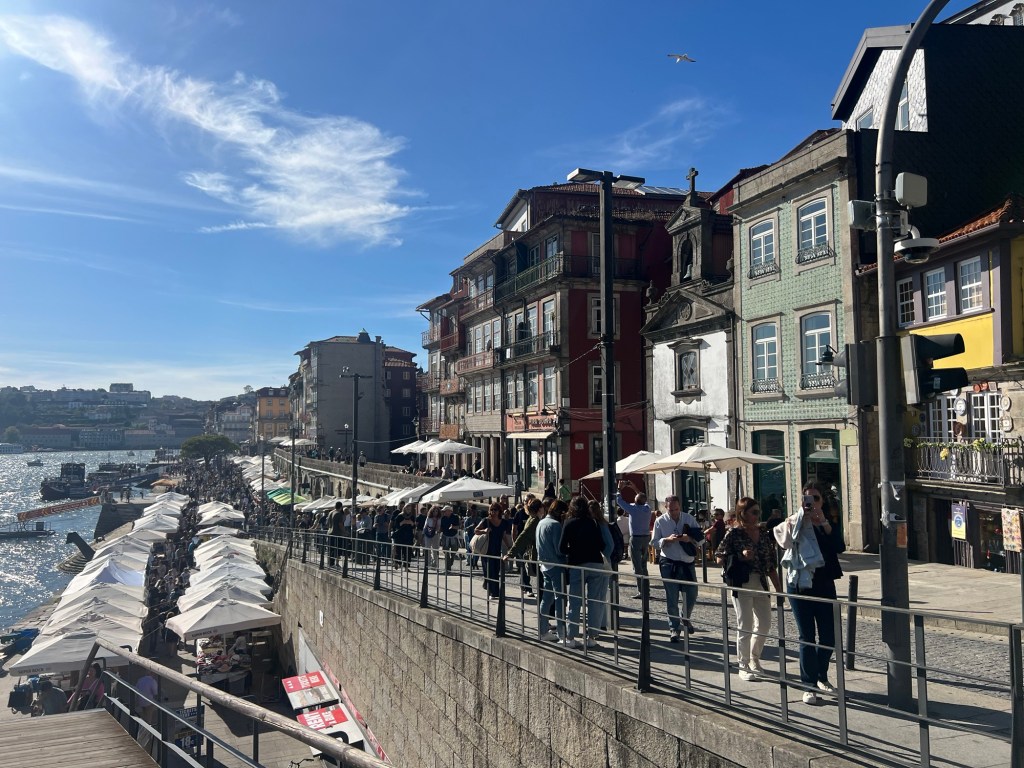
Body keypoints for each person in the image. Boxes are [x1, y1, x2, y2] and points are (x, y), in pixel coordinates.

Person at [775, 480, 845, 705]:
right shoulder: (794, 521)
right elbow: (785, 543)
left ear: (822, 501)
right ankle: (809, 685)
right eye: (808, 498)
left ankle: (821, 675)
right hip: (799, 585)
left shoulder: (828, 521)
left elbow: (839, 547)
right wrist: (797, 521)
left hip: (824, 584)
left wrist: (823, 522)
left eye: (816, 498)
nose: (811, 503)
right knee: (807, 637)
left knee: (829, 637)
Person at [715, 498, 782, 682]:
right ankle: (743, 665)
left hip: (761, 582)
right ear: (742, 513)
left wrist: (778, 589)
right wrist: (740, 556)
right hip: (741, 583)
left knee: (765, 624)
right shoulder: (733, 533)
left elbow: (771, 564)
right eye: (754, 512)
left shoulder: (763, 533)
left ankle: (754, 658)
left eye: (758, 512)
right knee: (745, 625)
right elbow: (719, 557)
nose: (757, 515)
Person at [559, 496, 612, 648]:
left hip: (577, 565)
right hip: (595, 564)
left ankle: (571, 637)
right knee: (594, 602)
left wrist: (573, 550)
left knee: (575, 602)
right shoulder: (593, 522)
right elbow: (602, 545)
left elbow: (561, 548)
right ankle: (592, 638)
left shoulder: (569, 523)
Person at [652, 494, 704, 641]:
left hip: (687, 562)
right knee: (672, 597)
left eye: (676, 509)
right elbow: (654, 542)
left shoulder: (689, 519)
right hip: (669, 562)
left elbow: (701, 540)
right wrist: (666, 540)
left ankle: (685, 618)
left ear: (679, 506)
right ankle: (674, 628)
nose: (674, 512)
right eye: (671, 510)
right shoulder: (660, 521)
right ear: (666, 507)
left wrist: (689, 539)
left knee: (692, 594)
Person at [535, 499, 568, 644]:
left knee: (546, 599)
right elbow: (559, 549)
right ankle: (562, 633)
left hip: (544, 565)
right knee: (560, 599)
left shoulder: (541, 523)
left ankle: (542, 631)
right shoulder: (555, 525)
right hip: (556, 565)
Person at [616, 480, 653, 599]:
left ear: (635, 502)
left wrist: (619, 488)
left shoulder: (633, 509)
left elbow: (619, 501)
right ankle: (646, 590)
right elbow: (643, 499)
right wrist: (635, 488)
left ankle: (642, 591)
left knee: (637, 565)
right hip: (646, 538)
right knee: (644, 565)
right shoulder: (647, 508)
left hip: (636, 538)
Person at [505, 497, 543, 599]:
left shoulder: (533, 518)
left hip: (534, 553)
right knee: (542, 586)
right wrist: (511, 553)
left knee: (543, 586)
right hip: (536, 555)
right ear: (539, 508)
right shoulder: (534, 520)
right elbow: (524, 536)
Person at [475, 503, 513, 599]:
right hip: (486, 550)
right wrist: (484, 531)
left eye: (495, 510)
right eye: (491, 510)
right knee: (489, 571)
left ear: (499, 511)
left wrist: (509, 546)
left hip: (497, 550)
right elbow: (476, 530)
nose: (493, 512)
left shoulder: (503, 522)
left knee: (496, 571)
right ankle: (493, 593)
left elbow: (503, 535)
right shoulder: (486, 521)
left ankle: (489, 586)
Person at [438, 505, 462, 572]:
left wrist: (453, 527)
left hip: (453, 536)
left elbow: (459, 527)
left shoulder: (455, 517)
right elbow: (441, 528)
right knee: (446, 552)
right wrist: (438, 530)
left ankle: (451, 561)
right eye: (443, 511)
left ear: (449, 511)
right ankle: (447, 568)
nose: (444, 512)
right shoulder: (443, 518)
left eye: (445, 511)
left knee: (454, 551)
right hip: (445, 536)